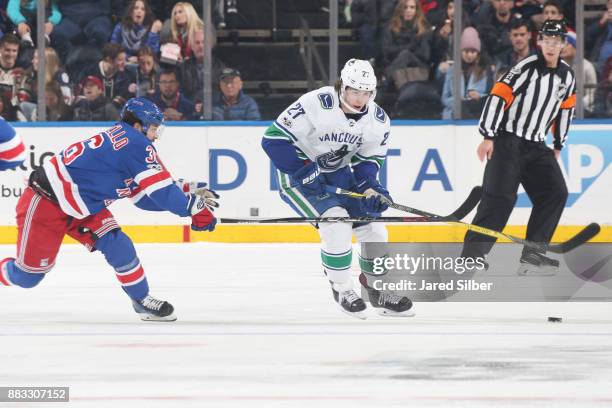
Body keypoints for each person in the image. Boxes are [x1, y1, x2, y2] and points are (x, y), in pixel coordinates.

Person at [0, 97, 218, 321]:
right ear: (137, 126)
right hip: (46, 202)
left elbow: (143, 197)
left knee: (119, 244)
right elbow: (162, 193)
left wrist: (185, 191)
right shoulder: (136, 143)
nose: (155, 136)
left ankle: (141, 300)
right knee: (28, 277)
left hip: (85, 207)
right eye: (153, 129)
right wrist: (194, 207)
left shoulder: (126, 141)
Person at [261, 59, 414, 319]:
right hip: (297, 176)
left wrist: (372, 191)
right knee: (337, 223)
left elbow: (367, 163)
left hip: (338, 175)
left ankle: (377, 289)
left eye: (366, 93)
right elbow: (272, 141)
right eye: (355, 91)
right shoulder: (315, 103)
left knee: (375, 229)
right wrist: (303, 172)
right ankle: (342, 287)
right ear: (343, 86)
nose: (360, 98)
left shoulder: (378, 119)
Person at [461, 20, 575, 275]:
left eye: (556, 41)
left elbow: (566, 110)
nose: (551, 45)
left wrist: (558, 144)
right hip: (507, 140)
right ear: (540, 41)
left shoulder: (567, 75)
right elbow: (498, 97)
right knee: (499, 198)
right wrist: (488, 136)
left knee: (555, 192)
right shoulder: (526, 68)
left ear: (563, 44)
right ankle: (471, 256)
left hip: (536, 145)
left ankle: (533, 254)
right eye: (547, 39)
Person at [441, 27, 494, 119]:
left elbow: (491, 96)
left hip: (476, 111)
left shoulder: (485, 70)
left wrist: (479, 97)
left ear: (478, 52)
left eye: (473, 51)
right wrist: (457, 101)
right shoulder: (452, 70)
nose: (469, 55)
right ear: (461, 51)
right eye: (466, 51)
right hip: (454, 113)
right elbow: (444, 98)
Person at [177, 28, 225, 103]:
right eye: (197, 42)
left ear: (211, 45)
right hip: (188, 109)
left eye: (204, 42)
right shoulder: (182, 68)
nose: (201, 46)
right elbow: (179, 94)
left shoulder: (220, 68)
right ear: (192, 46)